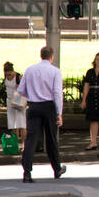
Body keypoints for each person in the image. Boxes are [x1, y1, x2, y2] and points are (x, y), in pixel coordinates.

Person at [17, 45, 66, 182]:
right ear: (52, 57)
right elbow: (57, 93)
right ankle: (56, 168)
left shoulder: (30, 70)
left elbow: (21, 90)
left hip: (33, 106)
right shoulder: (55, 71)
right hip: (48, 106)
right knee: (51, 138)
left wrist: (32, 95)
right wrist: (59, 112)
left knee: (31, 139)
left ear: (41, 55)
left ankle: (27, 171)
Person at [2, 61, 26, 151]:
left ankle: (24, 144)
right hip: (9, 101)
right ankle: (15, 144)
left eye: (10, 74)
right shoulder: (6, 77)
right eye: (7, 74)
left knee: (21, 123)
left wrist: (18, 87)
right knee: (13, 124)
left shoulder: (18, 77)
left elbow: (24, 87)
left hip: (18, 100)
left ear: (12, 71)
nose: (8, 76)